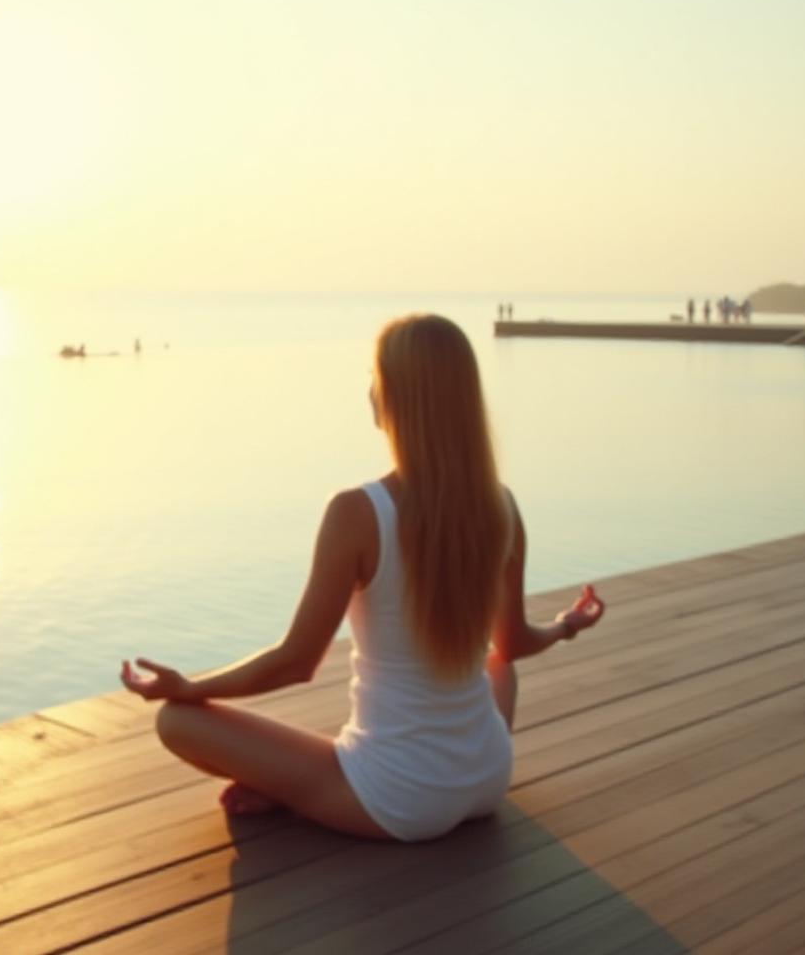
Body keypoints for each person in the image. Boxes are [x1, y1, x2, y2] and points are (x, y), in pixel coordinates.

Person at [120, 314, 605, 841]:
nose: (369, 391)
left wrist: (192, 687)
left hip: (397, 800)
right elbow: (512, 644)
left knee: (177, 721)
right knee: (495, 663)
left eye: (374, 377)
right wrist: (564, 625)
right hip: (487, 778)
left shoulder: (358, 512)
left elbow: (296, 663)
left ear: (393, 398)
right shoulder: (500, 505)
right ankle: (313, 783)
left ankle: (291, 790)